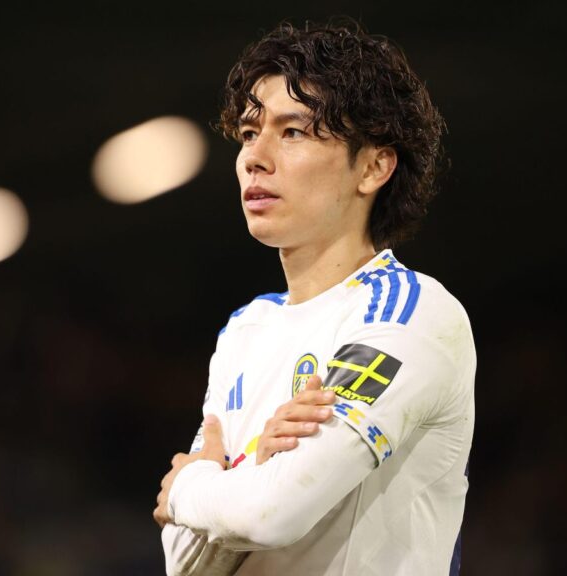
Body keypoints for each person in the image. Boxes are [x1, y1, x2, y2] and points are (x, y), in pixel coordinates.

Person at [153, 18, 476, 575]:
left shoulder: (412, 314)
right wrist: (257, 466)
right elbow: (184, 563)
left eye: (294, 132)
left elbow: (272, 515)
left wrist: (192, 485)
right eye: (249, 132)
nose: (254, 157)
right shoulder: (245, 330)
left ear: (373, 166)